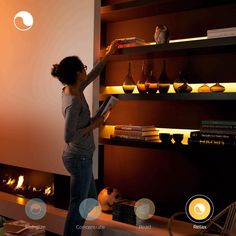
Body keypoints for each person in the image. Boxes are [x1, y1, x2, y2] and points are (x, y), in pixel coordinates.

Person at [51, 40, 119, 236]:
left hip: (81, 156)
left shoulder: (74, 88)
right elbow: (68, 135)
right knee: (79, 206)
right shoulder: (73, 101)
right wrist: (94, 125)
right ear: (77, 73)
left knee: (89, 201)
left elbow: (94, 74)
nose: (85, 71)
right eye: (83, 68)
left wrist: (109, 54)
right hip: (78, 157)